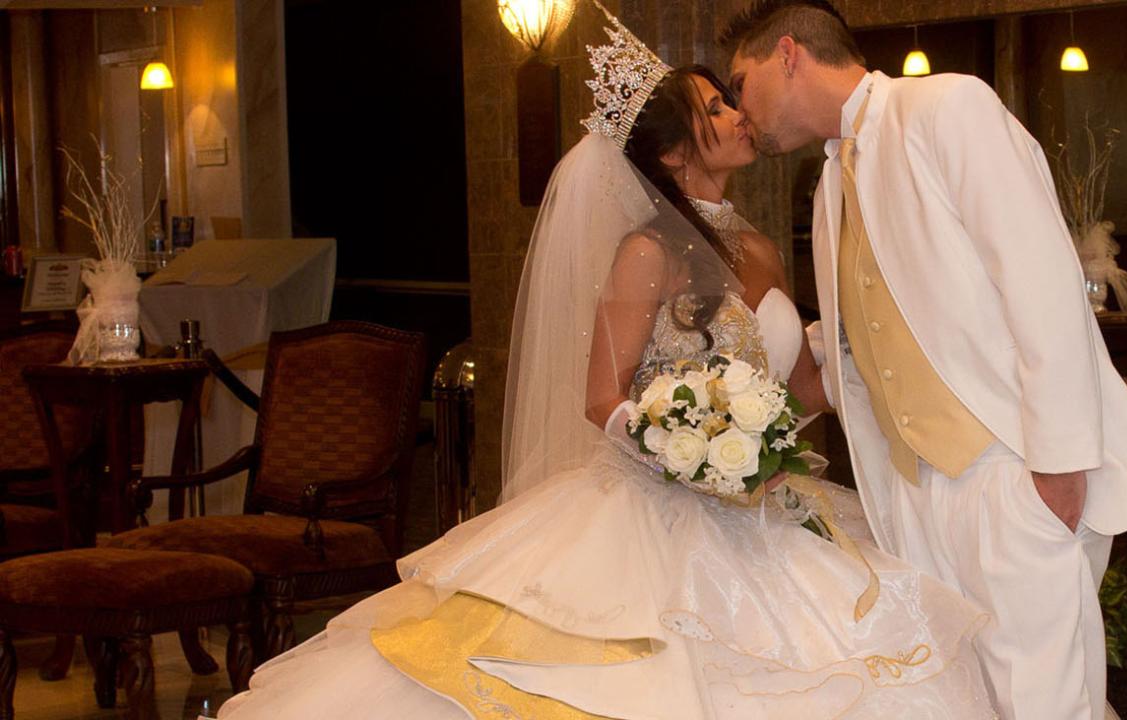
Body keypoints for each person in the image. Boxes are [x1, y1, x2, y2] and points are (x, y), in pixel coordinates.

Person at [212, 5, 997, 718]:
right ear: (672, 152)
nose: (737, 114)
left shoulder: (761, 247)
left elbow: (798, 393)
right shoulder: (648, 253)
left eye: (730, 100)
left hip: (763, 505)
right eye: (715, 108)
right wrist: (688, 453)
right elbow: (603, 397)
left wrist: (871, 362)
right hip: (657, 509)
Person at [720, 2, 1127, 718]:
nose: (740, 110)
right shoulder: (828, 188)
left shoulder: (945, 108)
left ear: (787, 54)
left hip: (1006, 470)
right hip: (910, 492)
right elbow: (873, 328)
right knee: (963, 701)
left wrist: (1056, 470)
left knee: (1045, 706)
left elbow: (1042, 283)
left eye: (740, 83)